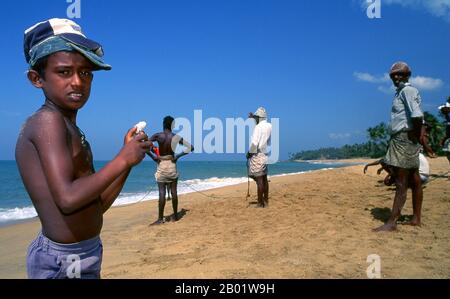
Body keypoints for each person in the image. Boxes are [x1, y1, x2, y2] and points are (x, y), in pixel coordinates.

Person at [15, 19, 152, 279]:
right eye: (64, 72)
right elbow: (67, 198)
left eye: (86, 73)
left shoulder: (69, 128)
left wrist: (126, 162)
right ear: (37, 78)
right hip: (63, 260)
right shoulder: (48, 121)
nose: (78, 81)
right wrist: (122, 160)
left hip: (85, 252)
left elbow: (97, 205)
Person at [373, 62, 426, 232]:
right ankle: (416, 218)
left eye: (400, 74)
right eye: (393, 75)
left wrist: (415, 136)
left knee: (401, 181)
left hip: (405, 139)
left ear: (407, 75)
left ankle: (392, 222)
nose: (396, 77)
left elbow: (417, 116)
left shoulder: (408, 91)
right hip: (404, 139)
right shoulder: (402, 92)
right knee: (415, 179)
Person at [147, 116, 194, 225]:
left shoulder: (158, 136)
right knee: (174, 192)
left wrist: (153, 156)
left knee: (162, 192)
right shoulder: (175, 137)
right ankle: (176, 216)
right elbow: (191, 147)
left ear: (163, 124)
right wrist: (178, 156)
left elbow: (144, 146)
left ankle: (160, 219)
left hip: (162, 164)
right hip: (172, 164)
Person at [247, 107, 272, 208]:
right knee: (264, 177)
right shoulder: (269, 126)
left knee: (259, 179)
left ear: (259, 117)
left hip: (257, 154)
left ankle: (260, 203)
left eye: (256, 117)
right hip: (265, 154)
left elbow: (255, 143)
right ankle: (265, 201)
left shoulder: (258, 128)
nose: (255, 119)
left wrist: (249, 153)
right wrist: (253, 116)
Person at [439, 98, 450, 164]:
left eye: (443, 109)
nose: (442, 110)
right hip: (448, 138)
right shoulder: (447, 116)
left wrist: (443, 139)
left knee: (448, 153)